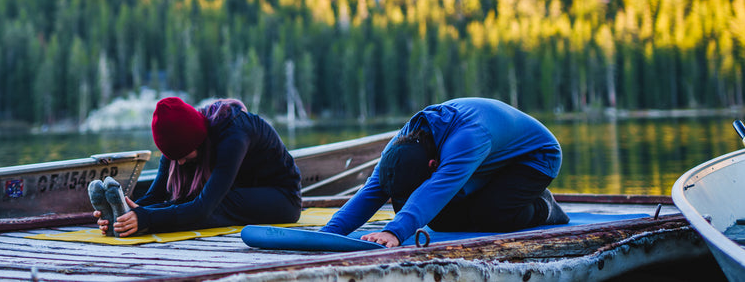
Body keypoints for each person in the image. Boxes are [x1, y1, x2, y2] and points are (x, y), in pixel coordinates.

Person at [322, 97, 567, 248]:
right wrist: (327, 235)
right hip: (488, 159)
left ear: (432, 166)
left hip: (535, 158)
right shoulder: (401, 144)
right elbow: (372, 190)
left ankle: (544, 207)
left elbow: (434, 191)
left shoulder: (467, 139)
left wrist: (393, 231)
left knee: (491, 214)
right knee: (441, 220)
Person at [95, 96, 302, 236]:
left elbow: (203, 208)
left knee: (216, 204)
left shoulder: (234, 136)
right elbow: (155, 195)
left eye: (184, 156)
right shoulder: (178, 144)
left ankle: (143, 225)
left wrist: (147, 219)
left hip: (283, 199)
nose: (181, 162)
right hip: (241, 193)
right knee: (186, 201)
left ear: (198, 141)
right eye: (174, 158)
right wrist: (126, 214)